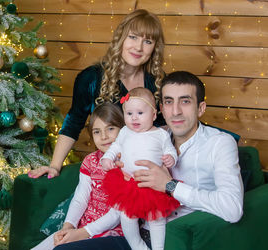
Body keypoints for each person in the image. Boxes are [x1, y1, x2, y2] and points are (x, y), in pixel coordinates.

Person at [53, 71, 244, 250]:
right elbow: (122, 199)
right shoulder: (151, 135)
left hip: (175, 238)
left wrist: (170, 186)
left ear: (200, 108)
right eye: (169, 102)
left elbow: (232, 209)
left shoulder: (219, 143)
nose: (175, 111)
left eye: (185, 101)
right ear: (160, 109)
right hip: (135, 232)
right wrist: (121, 170)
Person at [28, 9, 166, 179]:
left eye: (147, 41)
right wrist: (55, 166)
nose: (138, 47)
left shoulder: (157, 83)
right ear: (121, 38)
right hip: (107, 169)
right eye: (133, 37)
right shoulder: (91, 78)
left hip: (144, 170)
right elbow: (73, 123)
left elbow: (164, 129)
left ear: (154, 48)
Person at [31, 103, 125, 250]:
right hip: (81, 227)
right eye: (97, 132)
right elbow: (81, 198)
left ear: (124, 129)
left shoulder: (127, 164)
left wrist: (82, 233)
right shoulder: (91, 161)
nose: (104, 136)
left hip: (111, 233)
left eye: (111, 129)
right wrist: (68, 227)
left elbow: (117, 214)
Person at [101, 87, 179, 250]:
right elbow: (116, 147)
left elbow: (169, 149)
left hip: (153, 184)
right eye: (129, 114)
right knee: (127, 217)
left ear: (153, 114)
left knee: (156, 219)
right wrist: (107, 158)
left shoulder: (160, 134)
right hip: (129, 184)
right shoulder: (124, 132)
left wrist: (171, 158)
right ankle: (138, 247)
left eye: (140, 113)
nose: (134, 118)